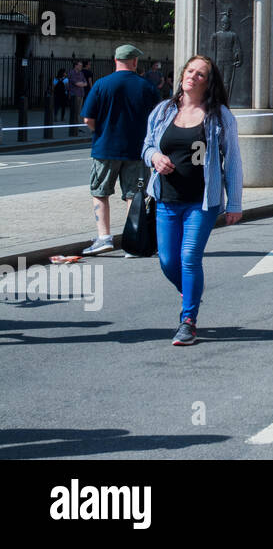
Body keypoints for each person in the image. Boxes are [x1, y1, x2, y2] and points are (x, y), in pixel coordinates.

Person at [142, 55, 243, 346]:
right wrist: (155, 157)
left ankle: (188, 320)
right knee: (167, 261)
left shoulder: (219, 116)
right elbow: (147, 145)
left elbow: (232, 160)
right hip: (166, 199)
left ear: (208, 82)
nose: (193, 77)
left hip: (202, 202)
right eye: (190, 71)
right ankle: (191, 293)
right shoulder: (163, 111)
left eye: (201, 74)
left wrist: (234, 202)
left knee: (189, 258)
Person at [80, 45, 162, 255]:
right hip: (137, 150)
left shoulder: (101, 84)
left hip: (105, 148)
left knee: (100, 192)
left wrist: (100, 132)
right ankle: (133, 241)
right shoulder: (147, 87)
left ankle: (104, 237)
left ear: (115, 60)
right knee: (134, 195)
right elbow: (158, 119)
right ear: (134, 62)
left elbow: (88, 118)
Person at [68, 61, 89, 131]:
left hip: (81, 94)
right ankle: (74, 128)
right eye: (80, 65)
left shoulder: (81, 73)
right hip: (74, 94)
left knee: (78, 111)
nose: (81, 67)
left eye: (81, 66)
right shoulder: (72, 73)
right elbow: (76, 83)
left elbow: (86, 83)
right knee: (75, 111)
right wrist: (81, 83)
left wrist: (81, 83)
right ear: (75, 66)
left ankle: (76, 127)